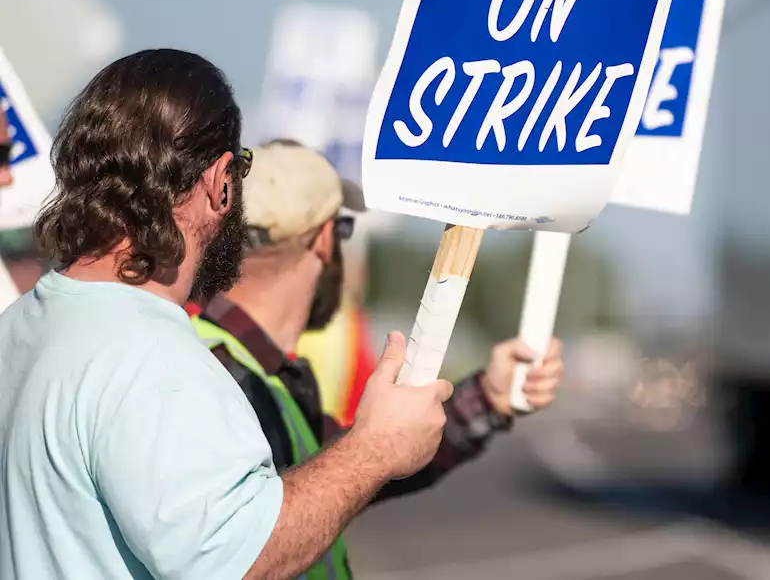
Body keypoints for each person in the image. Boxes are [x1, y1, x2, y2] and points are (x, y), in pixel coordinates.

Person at [0, 49, 453, 580]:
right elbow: (241, 560)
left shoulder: (20, 324)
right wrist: (374, 451)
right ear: (220, 181)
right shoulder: (151, 360)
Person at [194, 139, 564, 578]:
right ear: (326, 240)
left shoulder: (236, 363)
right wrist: (375, 449)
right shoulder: (222, 374)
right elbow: (242, 553)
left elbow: (347, 472)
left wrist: (487, 396)